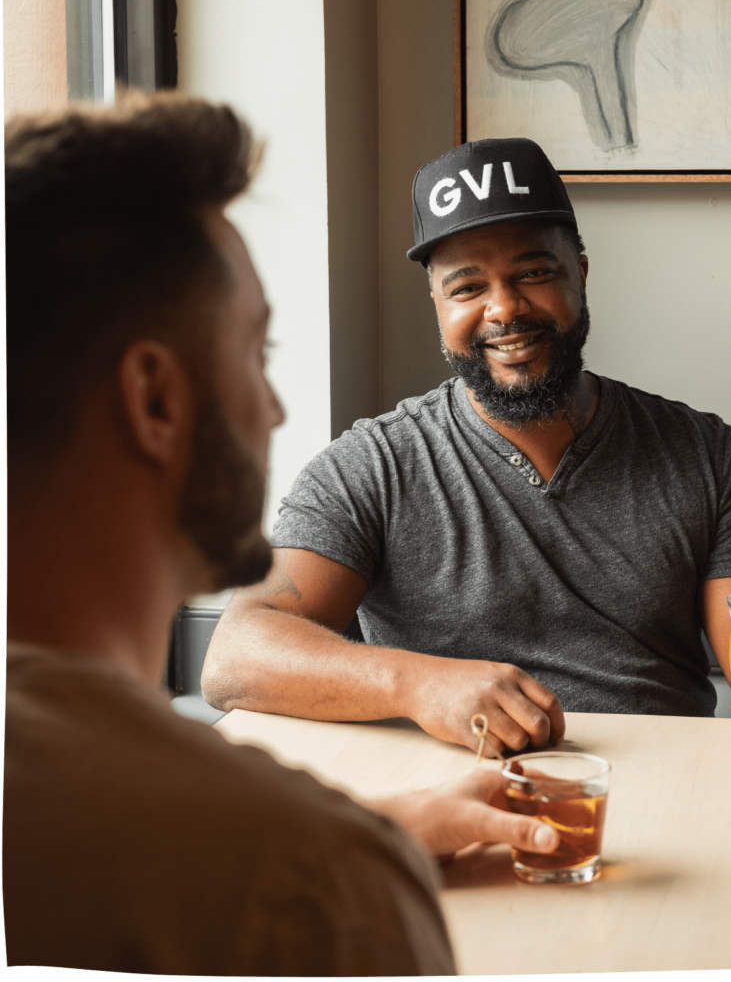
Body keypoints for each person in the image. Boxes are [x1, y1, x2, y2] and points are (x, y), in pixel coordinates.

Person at [4, 97, 562, 975]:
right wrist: (347, 861)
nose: (276, 408)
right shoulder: (313, 891)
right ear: (155, 400)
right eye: (257, 355)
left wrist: (373, 834)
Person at [204, 136, 731, 762]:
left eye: (533, 272)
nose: (504, 310)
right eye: (467, 287)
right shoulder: (372, 467)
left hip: (668, 787)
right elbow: (235, 656)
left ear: (580, 273)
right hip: (449, 799)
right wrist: (418, 686)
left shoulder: (708, 457)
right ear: (436, 302)